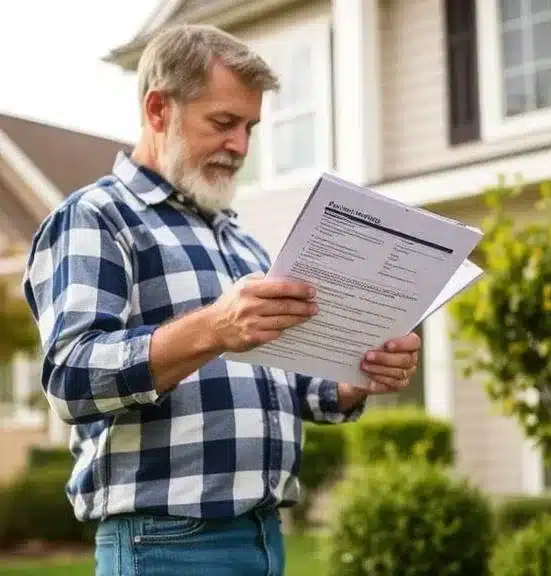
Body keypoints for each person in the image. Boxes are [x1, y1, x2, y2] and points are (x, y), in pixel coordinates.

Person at [22, 23, 421, 576]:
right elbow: (70, 378)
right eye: (224, 122)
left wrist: (357, 376)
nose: (241, 146)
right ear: (159, 110)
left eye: (250, 127)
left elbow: (291, 384)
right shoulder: (96, 218)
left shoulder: (240, 241)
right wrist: (213, 327)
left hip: (262, 535)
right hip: (162, 543)